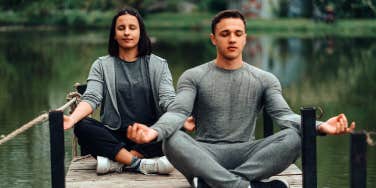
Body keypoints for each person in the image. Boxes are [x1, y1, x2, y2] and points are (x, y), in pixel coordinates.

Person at [125, 10, 356, 188]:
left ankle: (214, 184)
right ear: (213, 39)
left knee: (295, 136)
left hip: (248, 154)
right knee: (172, 139)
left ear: (246, 38)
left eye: (238, 34)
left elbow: (284, 116)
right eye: (225, 34)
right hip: (205, 155)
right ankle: (245, 185)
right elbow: (177, 113)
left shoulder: (264, 79)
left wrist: (321, 127)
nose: (232, 39)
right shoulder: (194, 76)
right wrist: (154, 132)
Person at [63, 7, 192, 175]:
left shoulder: (159, 65)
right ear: (114, 35)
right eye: (121, 28)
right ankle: (138, 163)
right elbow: (92, 97)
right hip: (113, 136)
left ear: (141, 32)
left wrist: (182, 115)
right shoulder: (101, 65)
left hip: (149, 135)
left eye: (132, 28)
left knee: (175, 126)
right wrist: (71, 119)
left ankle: (119, 162)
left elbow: (167, 99)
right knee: (82, 126)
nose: (126, 33)